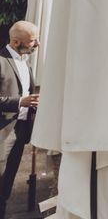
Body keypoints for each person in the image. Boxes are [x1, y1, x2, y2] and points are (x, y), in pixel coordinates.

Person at [0, 21, 40, 218]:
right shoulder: (0, 61)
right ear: (16, 42)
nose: (37, 44)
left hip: (20, 131)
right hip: (2, 134)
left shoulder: (26, 63)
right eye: (32, 41)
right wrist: (20, 101)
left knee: (6, 186)